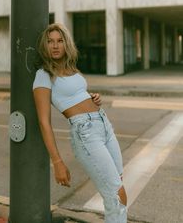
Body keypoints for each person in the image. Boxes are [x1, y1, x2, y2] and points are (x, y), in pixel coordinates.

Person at [33, 23, 127, 223]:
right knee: (116, 196)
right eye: (50, 42)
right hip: (86, 133)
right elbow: (44, 121)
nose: (55, 46)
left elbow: (76, 96)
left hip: (103, 124)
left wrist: (93, 99)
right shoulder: (43, 75)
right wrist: (57, 162)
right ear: (45, 46)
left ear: (66, 44)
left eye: (60, 41)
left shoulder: (71, 69)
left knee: (119, 188)